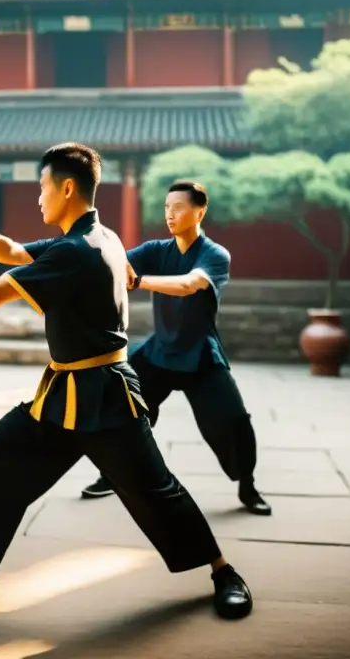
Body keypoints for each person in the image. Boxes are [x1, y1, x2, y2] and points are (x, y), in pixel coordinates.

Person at [0, 143, 252, 624]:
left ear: (67, 188)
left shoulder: (79, 249)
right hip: (64, 395)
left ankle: (224, 572)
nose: (39, 198)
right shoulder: (94, 236)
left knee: (156, 492)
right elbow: (12, 253)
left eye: (42, 188)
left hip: (107, 397)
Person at [78, 181, 270, 515]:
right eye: (166, 208)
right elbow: (114, 262)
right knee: (121, 405)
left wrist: (138, 281)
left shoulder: (215, 255)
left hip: (200, 355)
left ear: (200, 211)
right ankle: (112, 473)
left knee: (233, 421)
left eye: (178, 207)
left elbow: (189, 284)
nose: (170, 214)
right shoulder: (156, 250)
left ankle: (247, 484)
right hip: (159, 352)